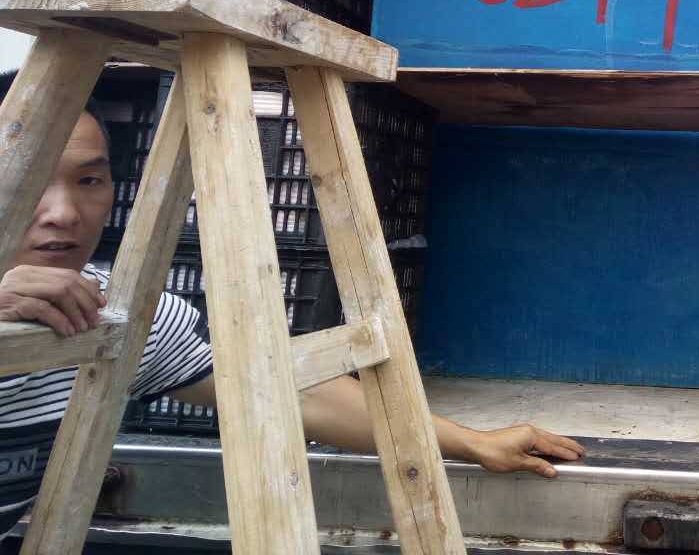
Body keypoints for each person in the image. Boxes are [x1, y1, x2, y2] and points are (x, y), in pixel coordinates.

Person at [0, 71, 583, 538]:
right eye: (30, 178)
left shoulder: (117, 312)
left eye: (89, 181)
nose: (63, 213)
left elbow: (285, 387)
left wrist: (470, 441)